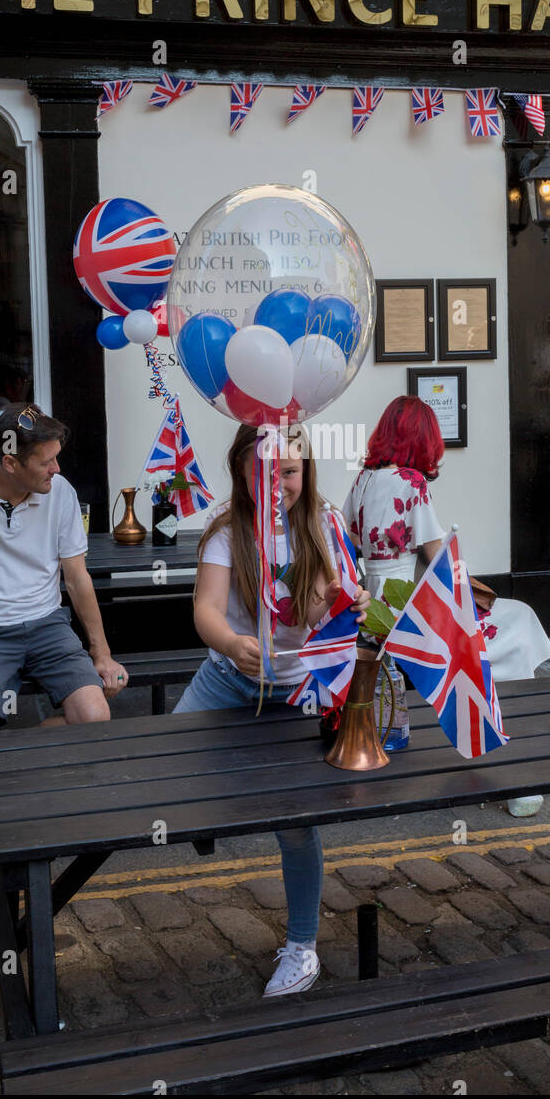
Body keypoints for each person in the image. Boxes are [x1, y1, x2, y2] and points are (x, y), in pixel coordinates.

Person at [173, 422, 370, 997]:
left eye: (288, 469)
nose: (276, 480)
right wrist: (233, 644)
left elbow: (315, 616)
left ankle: (302, 946)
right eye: (263, 469)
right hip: (226, 682)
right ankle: (209, 819)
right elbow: (206, 609)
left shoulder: (322, 525)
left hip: (299, 695)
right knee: (162, 776)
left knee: (295, 824)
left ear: (305, 471)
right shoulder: (224, 532)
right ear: (240, 469)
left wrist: (343, 600)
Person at [343, 395, 550, 816]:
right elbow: (440, 559)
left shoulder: (363, 479)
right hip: (409, 607)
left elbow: (349, 542)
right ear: (422, 440)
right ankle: (507, 761)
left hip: (374, 604)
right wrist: (474, 595)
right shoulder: (412, 483)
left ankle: (413, 735)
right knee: (510, 627)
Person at [0, 404, 127, 756]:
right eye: (45, 462)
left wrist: (102, 654)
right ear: (11, 462)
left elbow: (76, 578)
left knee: (96, 718)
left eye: (56, 458)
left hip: (48, 626)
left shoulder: (60, 492)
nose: (56, 469)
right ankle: (17, 761)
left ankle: (30, 741)